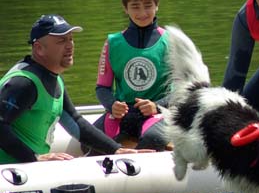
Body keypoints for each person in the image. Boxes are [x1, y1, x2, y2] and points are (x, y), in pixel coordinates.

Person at [0, 14, 149, 163]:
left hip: (28, 170)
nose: (70, 45)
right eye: (61, 41)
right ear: (39, 49)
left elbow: (75, 123)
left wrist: (116, 149)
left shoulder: (54, 78)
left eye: (71, 39)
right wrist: (35, 158)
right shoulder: (23, 83)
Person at [93, 0, 170, 150]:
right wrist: (112, 105)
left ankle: (140, 146)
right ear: (125, 8)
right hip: (123, 114)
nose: (142, 13)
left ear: (157, 5)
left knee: (153, 139)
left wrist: (157, 106)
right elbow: (102, 88)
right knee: (89, 141)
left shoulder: (170, 41)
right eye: (135, 6)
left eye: (148, 6)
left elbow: (183, 90)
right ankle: (129, 145)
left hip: (156, 113)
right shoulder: (112, 43)